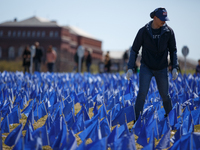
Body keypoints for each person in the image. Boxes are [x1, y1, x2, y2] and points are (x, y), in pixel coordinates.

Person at [126, 7, 179, 121]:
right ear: (155, 18)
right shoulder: (143, 31)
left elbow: (173, 50)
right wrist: (130, 67)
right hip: (146, 67)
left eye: (165, 18)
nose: (164, 21)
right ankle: (137, 120)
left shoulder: (169, 32)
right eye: (162, 18)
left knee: (165, 95)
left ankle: (171, 119)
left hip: (162, 68)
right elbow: (134, 50)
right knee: (142, 94)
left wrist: (175, 67)